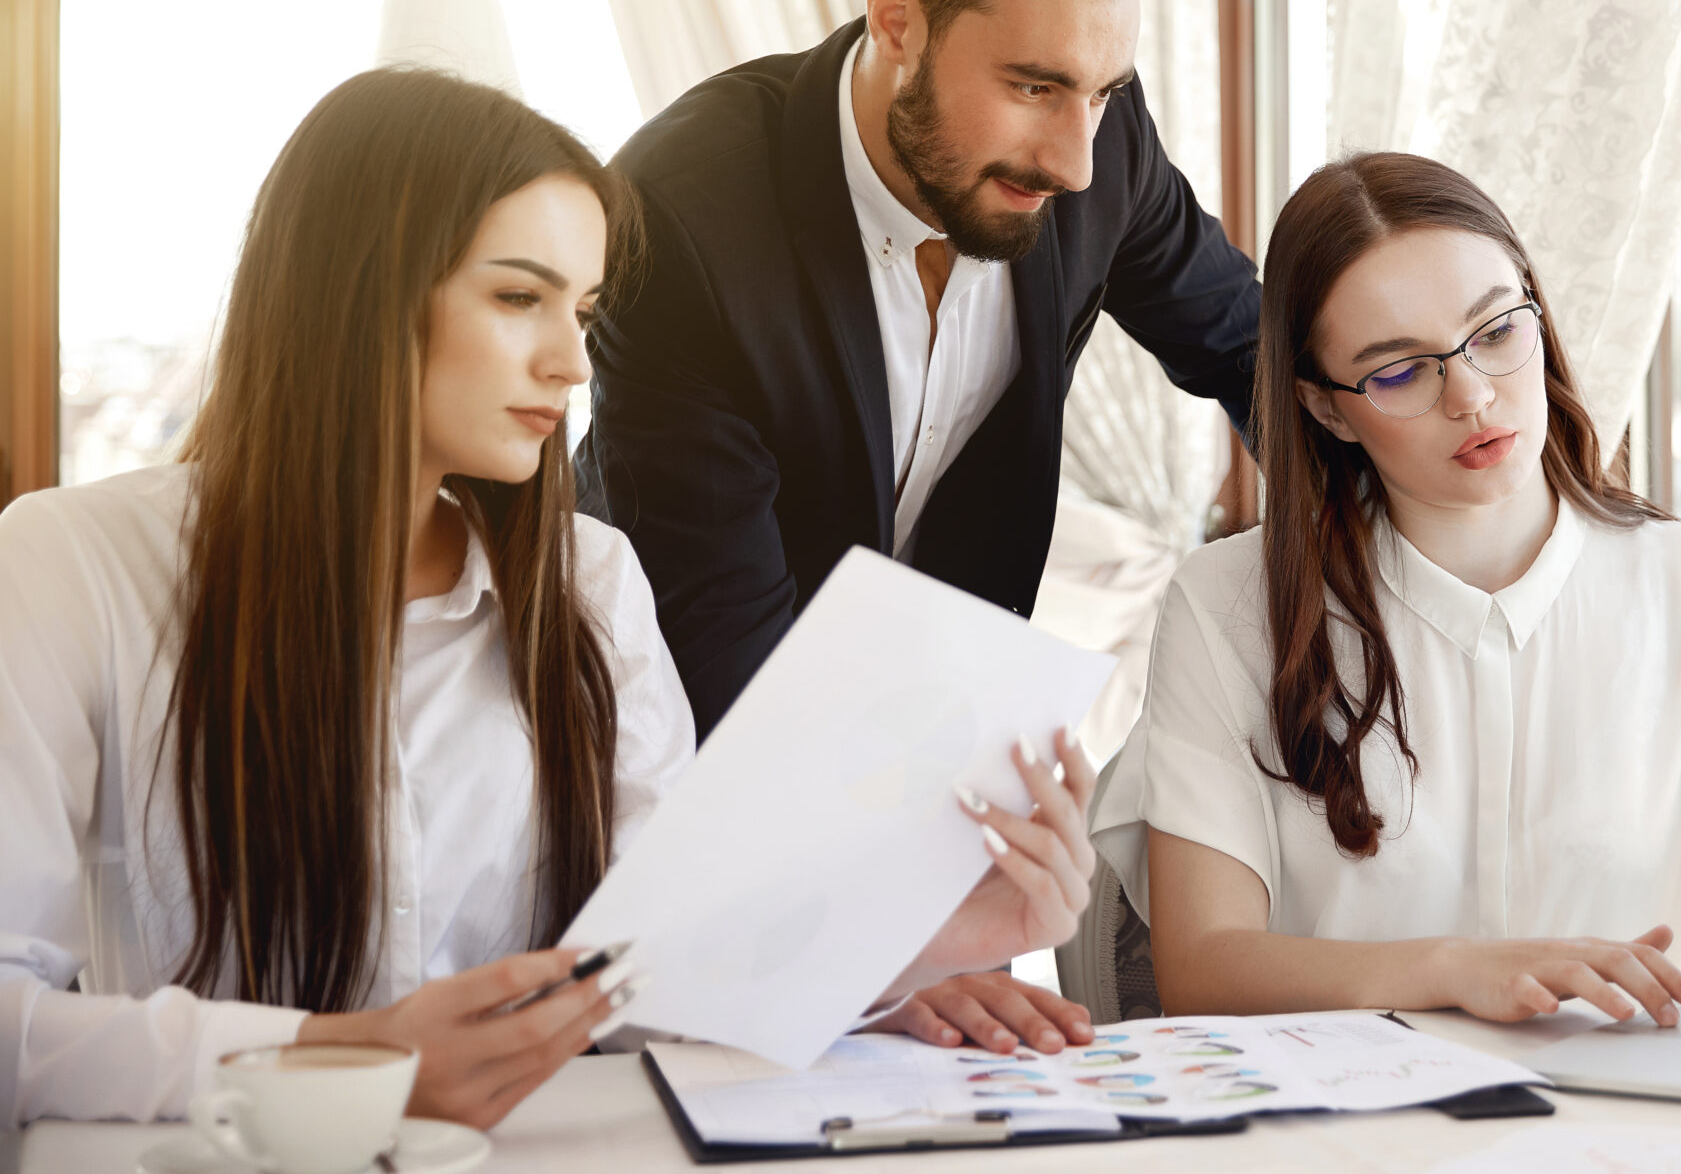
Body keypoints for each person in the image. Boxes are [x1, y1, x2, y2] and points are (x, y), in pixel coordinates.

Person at [0, 71, 1098, 1130]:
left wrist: (914, 950)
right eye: (520, 297)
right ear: (358, 290)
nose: (574, 360)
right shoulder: (74, 568)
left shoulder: (590, 583)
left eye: (585, 308)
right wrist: (348, 1060)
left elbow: (659, 969)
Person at [579, 0, 1258, 1056]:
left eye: (1100, 93)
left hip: (933, 773)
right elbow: (726, 644)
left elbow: (1252, 347)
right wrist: (883, 963)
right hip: (692, 789)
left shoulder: (1095, 151)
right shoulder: (683, 217)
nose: (1071, 154)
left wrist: (1411, 511)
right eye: (1034, 86)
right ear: (898, 17)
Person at [1094, 153, 1681, 1023]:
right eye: (1400, 370)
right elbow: (1204, 966)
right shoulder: (1228, 604)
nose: (1473, 395)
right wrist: (1454, 969)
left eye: (1496, 331)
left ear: (1537, 314)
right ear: (1327, 407)